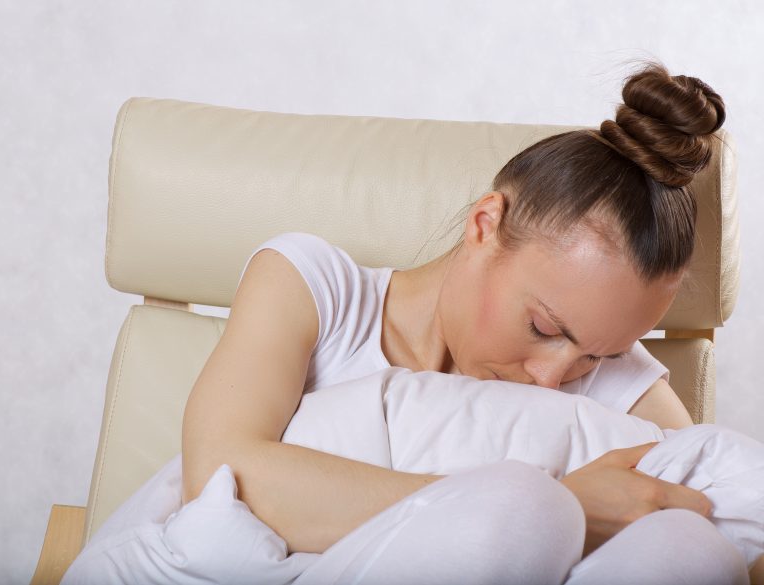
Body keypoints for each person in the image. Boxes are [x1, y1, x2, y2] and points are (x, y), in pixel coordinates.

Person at [176, 61, 743, 578]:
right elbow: (218, 476)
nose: (553, 379)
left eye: (600, 353)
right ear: (484, 223)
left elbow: (720, 506)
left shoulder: (611, 374)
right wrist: (559, 507)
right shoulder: (316, 291)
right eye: (544, 328)